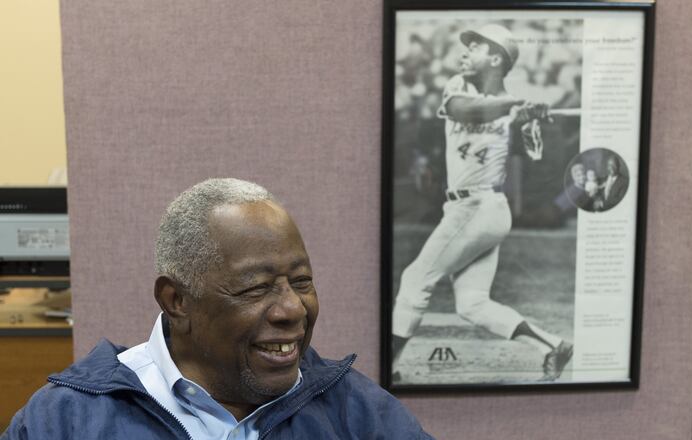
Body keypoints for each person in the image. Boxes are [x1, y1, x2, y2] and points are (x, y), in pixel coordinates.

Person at [3, 178, 433, 439]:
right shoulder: (68, 420)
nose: (292, 310)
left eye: (301, 282)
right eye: (256, 288)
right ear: (177, 301)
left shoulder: (357, 413)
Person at [391, 23, 573, 384]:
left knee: (415, 280)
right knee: (472, 304)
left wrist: (530, 120)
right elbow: (465, 111)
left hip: (480, 207)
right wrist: (515, 104)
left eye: (474, 48)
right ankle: (553, 346)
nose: (464, 52)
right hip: (469, 210)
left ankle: (388, 367)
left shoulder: (514, 104)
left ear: (495, 58)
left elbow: (534, 155)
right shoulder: (459, 88)